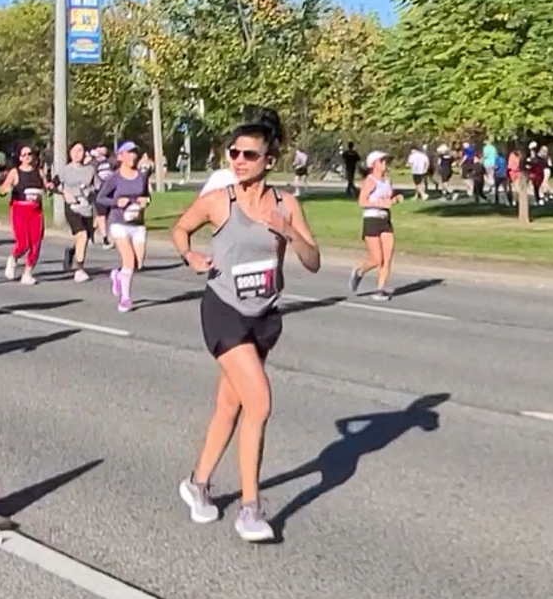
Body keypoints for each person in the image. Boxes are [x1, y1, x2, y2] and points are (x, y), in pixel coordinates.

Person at [170, 109, 322, 543]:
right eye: (233, 152)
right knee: (259, 404)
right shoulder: (221, 199)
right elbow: (181, 228)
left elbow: (313, 262)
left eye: (248, 155)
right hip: (223, 309)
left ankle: (197, 484)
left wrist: (289, 233)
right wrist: (191, 256)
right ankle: (251, 509)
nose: (238, 160)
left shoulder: (286, 205)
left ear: (269, 159)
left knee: (229, 406)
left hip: (265, 316)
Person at [94, 142, 152, 310]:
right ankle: (125, 299)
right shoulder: (115, 177)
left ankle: (117, 276)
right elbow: (101, 198)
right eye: (129, 153)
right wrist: (116, 202)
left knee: (137, 263)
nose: (132, 156)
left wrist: (145, 201)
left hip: (137, 222)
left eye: (135, 153)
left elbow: (146, 196)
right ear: (120, 156)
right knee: (128, 260)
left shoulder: (141, 176)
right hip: (118, 222)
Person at [350, 150, 397, 301]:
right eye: (382, 161)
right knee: (377, 259)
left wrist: (395, 199)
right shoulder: (370, 181)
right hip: (372, 220)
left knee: (387, 258)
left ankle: (380, 289)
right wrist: (379, 203)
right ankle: (359, 271)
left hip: (385, 219)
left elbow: (388, 198)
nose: (385, 163)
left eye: (385, 161)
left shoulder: (387, 181)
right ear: (373, 164)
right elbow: (362, 201)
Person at [0, 145, 47, 285]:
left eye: (29, 154)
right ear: (20, 157)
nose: (27, 157)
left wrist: (50, 187)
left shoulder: (39, 172)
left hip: (36, 211)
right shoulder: (15, 172)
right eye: (24, 154)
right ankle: (13, 258)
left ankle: (27, 273)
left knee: (36, 243)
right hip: (20, 209)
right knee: (23, 243)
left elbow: (46, 186)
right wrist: (5, 190)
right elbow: (3, 189)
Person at [55, 142, 98, 281]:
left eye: (80, 151)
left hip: (87, 208)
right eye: (75, 151)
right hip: (72, 207)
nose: (77, 154)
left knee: (84, 239)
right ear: (70, 153)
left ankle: (72, 251)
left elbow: (97, 188)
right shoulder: (65, 170)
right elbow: (52, 184)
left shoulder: (90, 170)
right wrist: (64, 192)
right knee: (83, 235)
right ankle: (80, 269)